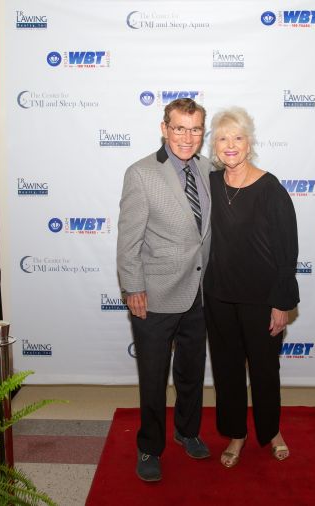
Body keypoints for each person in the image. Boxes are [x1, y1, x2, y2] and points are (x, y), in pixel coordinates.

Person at [117, 98, 213, 482]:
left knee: (191, 372)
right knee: (154, 377)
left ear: (203, 132)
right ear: (164, 129)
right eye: (179, 128)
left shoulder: (209, 169)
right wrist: (133, 287)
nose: (187, 137)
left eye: (195, 129)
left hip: (200, 292)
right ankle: (149, 446)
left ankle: (187, 431)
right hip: (155, 294)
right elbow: (128, 240)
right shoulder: (141, 173)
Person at [203, 106, 299, 468]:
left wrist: (282, 303)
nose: (230, 145)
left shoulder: (271, 189)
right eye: (223, 138)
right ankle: (236, 434)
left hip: (262, 299)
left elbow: (287, 252)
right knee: (226, 371)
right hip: (219, 297)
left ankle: (272, 431)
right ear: (214, 145)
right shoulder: (210, 184)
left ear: (249, 143)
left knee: (264, 371)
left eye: (238, 137)